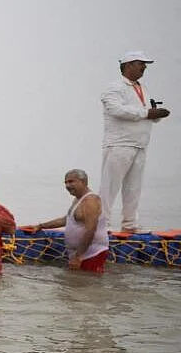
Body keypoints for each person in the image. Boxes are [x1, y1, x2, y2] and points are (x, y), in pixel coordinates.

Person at [100, 51, 170, 233]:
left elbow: (145, 113)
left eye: (144, 64)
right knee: (110, 187)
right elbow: (117, 110)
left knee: (133, 189)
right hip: (119, 144)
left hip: (140, 145)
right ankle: (102, 224)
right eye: (141, 63)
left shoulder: (142, 88)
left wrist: (156, 115)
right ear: (128, 65)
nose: (144, 67)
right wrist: (147, 113)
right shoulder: (114, 87)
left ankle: (130, 225)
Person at [34, 169, 109, 273]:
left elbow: (91, 230)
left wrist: (78, 256)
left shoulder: (90, 201)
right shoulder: (78, 199)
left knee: (89, 285)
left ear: (83, 182)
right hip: (80, 254)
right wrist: (41, 226)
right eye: (66, 183)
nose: (68, 186)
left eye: (71, 181)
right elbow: (67, 220)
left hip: (91, 253)